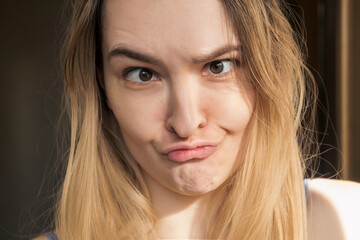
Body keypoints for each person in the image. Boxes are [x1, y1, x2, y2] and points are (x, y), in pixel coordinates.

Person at [34, 0, 360, 239]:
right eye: (142, 74)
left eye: (219, 66)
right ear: (101, 83)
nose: (186, 123)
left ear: (268, 66)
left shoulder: (348, 220)